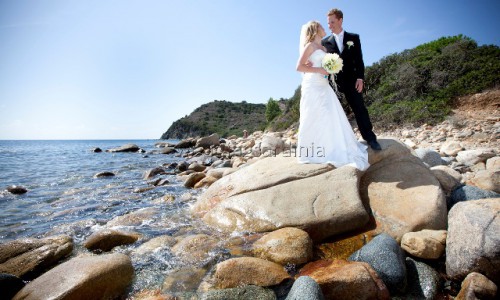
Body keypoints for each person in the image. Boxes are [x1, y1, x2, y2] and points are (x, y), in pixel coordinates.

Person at [296, 21, 369, 171]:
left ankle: (332, 147)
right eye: (322, 27)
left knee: (330, 115)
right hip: (313, 85)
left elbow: (327, 64)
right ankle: (312, 151)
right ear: (315, 30)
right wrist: (319, 70)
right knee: (313, 115)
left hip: (324, 85)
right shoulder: (310, 46)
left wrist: (332, 68)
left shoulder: (323, 47)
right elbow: (299, 67)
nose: (325, 28)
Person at [322, 8, 381, 151]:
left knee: (360, 108)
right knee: (336, 112)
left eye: (332, 22)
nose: (329, 25)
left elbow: (359, 60)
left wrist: (360, 78)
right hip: (334, 84)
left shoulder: (353, 38)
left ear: (340, 20)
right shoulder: (325, 42)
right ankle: (341, 142)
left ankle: (370, 138)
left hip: (352, 81)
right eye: (328, 23)